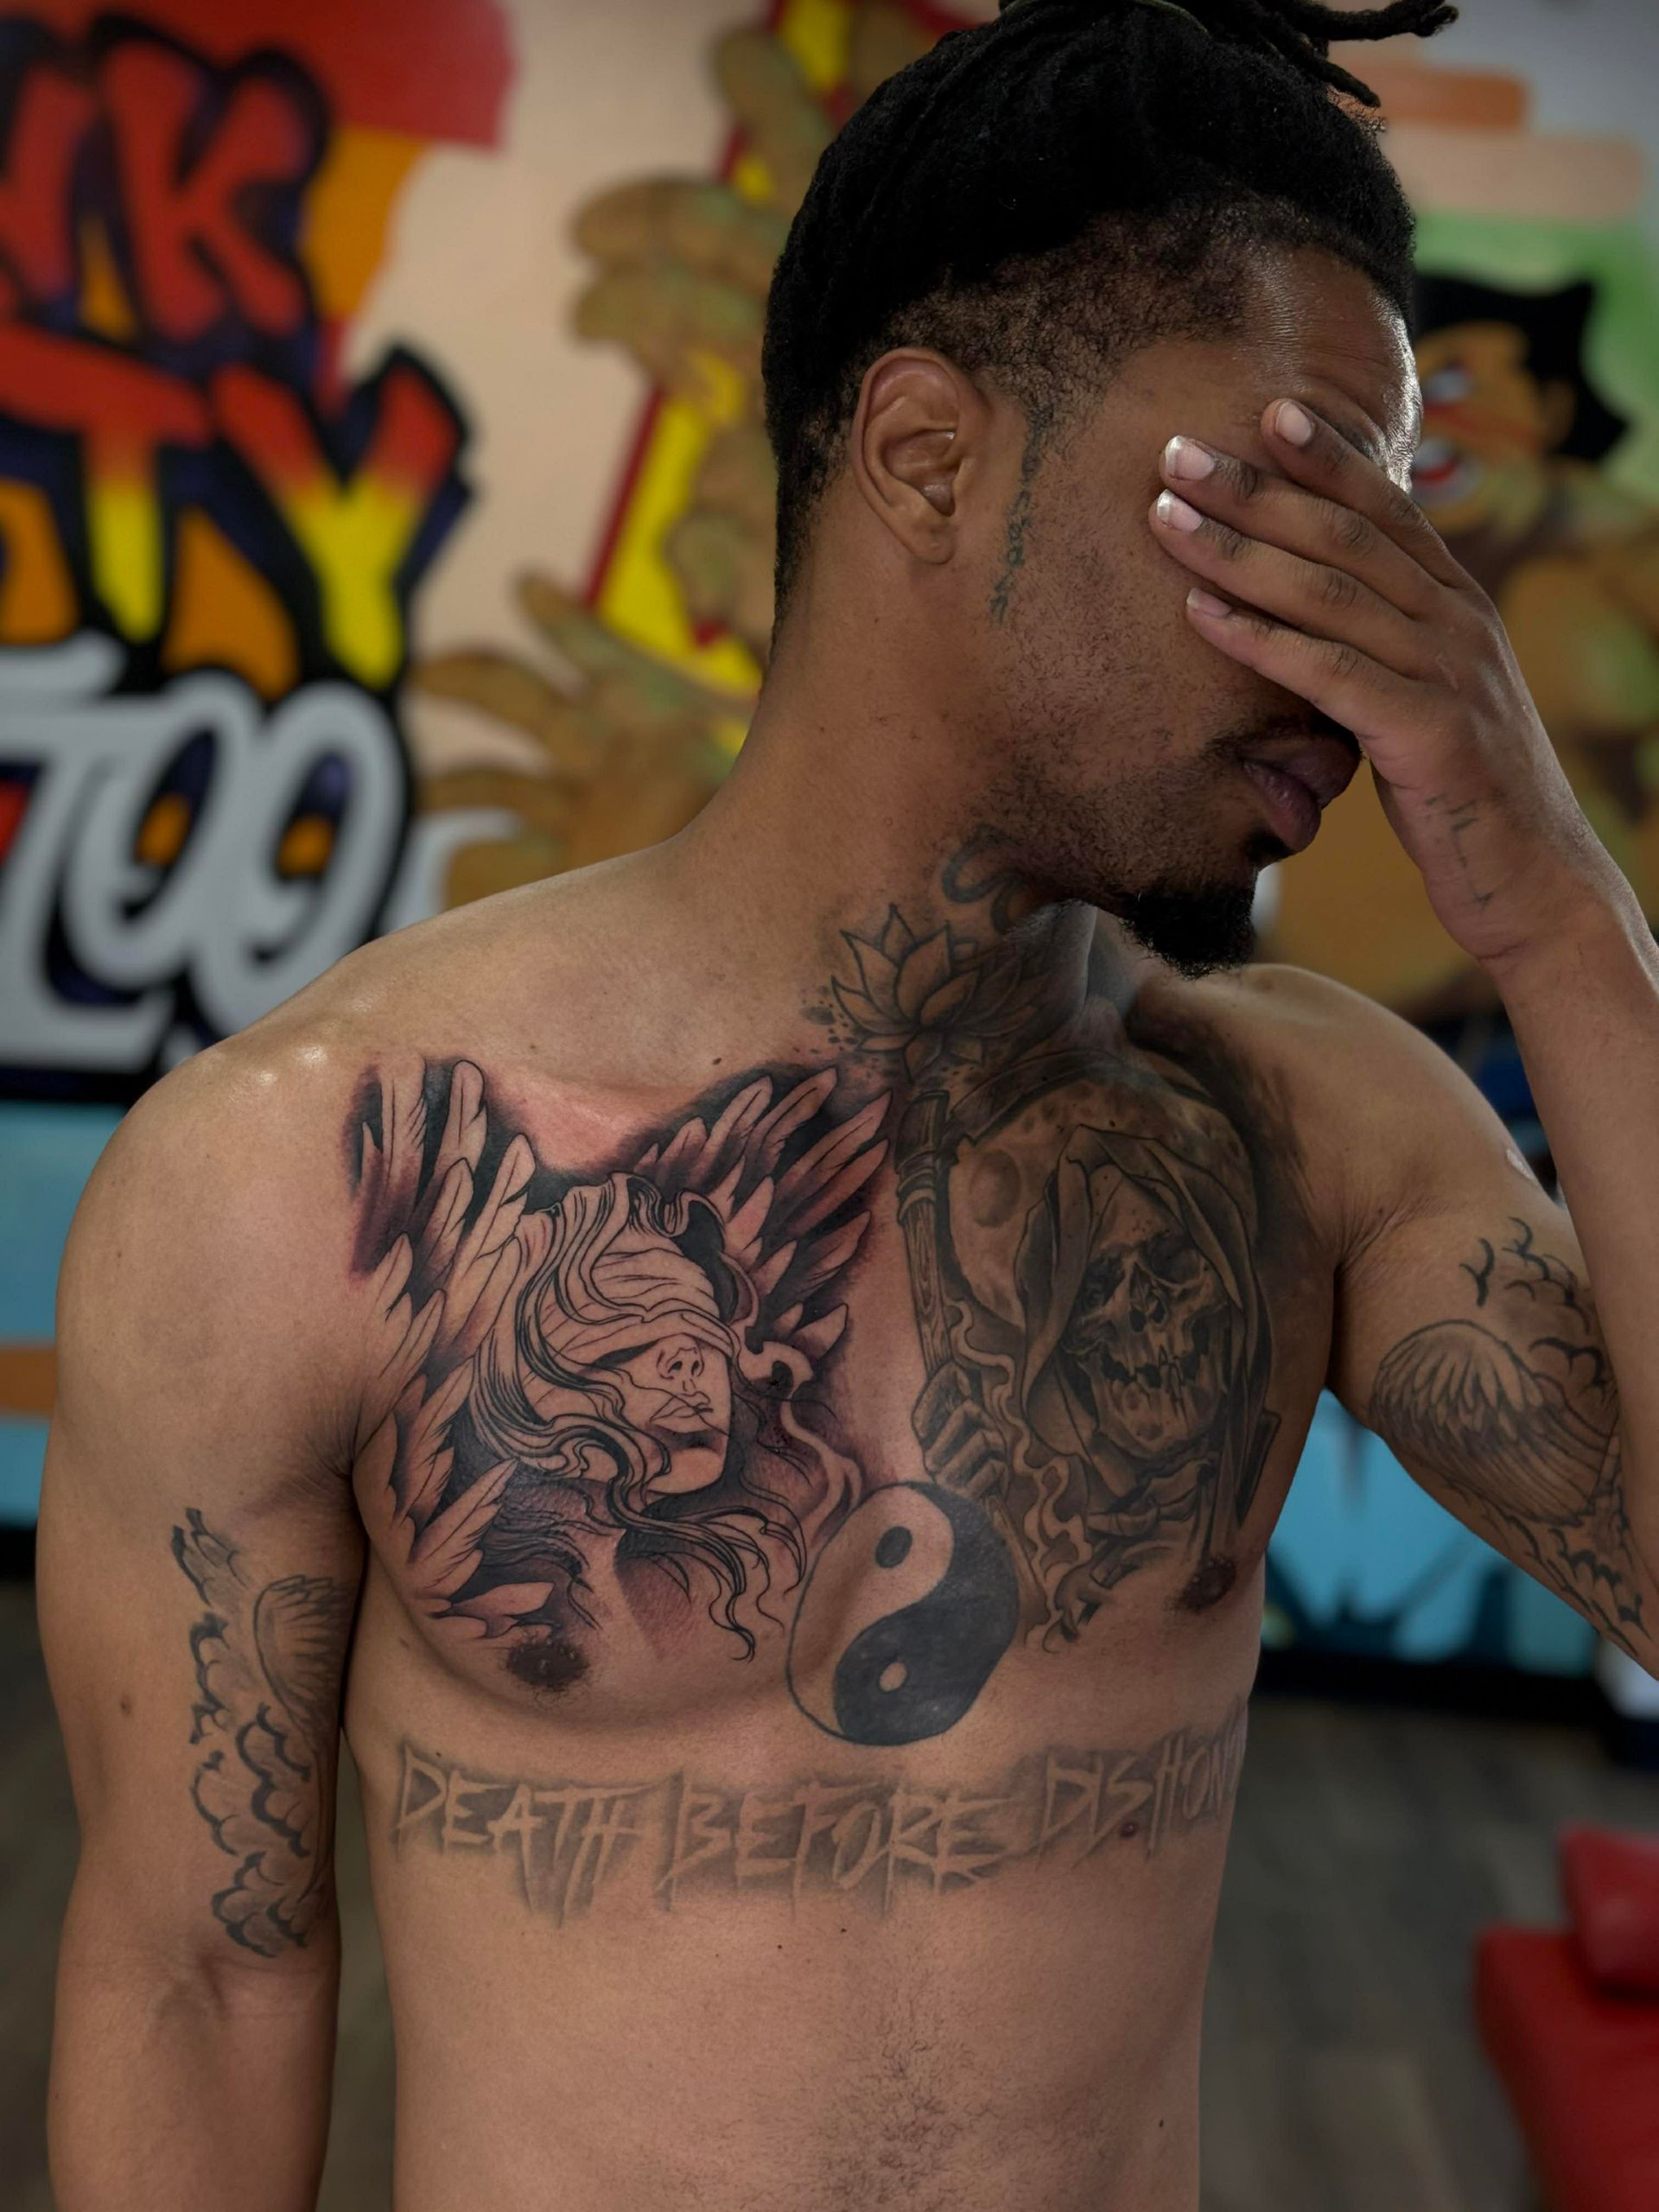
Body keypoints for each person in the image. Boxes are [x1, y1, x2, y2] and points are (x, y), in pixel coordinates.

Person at [38, 0, 1659, 2204]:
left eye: (1401, 531)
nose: (1378, 637)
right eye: (1295, 505)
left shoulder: (1312, 1131)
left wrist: (1562, 909)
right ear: (922, 456)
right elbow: (198, 1979)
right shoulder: (294, 1175)